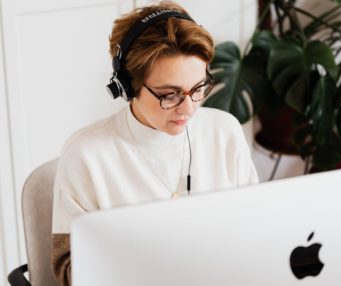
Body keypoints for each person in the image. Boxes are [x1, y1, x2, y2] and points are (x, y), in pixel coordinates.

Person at [51, 1, 259, 285]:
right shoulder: (87, 155)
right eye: (169, 94)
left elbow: (257, 229)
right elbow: (68, 269)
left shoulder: (225, 131)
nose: (188, 109)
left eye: (198, 89)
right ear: (128, 86)